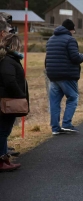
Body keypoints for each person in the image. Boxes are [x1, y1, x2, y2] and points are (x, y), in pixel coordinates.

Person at [45, 19, 83, 135]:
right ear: (71, 29)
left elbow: (47, 58)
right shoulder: (70, 40)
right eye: (73, 31)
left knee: (54, 102)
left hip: (52, 75)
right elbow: (75, 57)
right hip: (67, 75)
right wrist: (82, 56)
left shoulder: (51, 39)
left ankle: (55, 128)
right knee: (73, 97)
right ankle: (67, 124)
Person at [0, 34, 26, 171]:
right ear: (14, 45)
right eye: (19, 45)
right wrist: (20, 96)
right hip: (8, 101)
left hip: (6, 99)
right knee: (3, 131)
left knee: (4, 130)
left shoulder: (7, 59)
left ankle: (4, 159)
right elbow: (10, 81)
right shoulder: (8, 61)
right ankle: (1, 161)